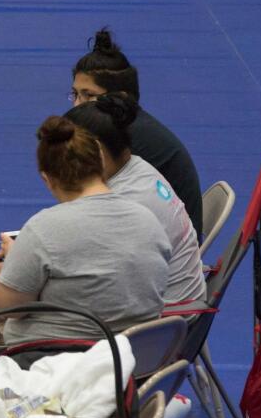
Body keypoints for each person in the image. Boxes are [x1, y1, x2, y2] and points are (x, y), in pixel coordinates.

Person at [0, 117, 172, 344]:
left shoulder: (43, 228)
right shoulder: (148, 219)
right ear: (100, 164)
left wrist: (7, 269)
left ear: (47, 179)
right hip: (138, 362)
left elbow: (10, 307)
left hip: (56, 364)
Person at [65, 93, 207, 305]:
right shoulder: (138, 166)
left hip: (157, 327)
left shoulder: (120, 207)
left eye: (67, 154)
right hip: (175, 309)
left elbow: (84, 286)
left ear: (96, 152)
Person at [71, 28, 204, 238]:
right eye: (75, 94)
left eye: (89, 96)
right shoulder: (128, 128)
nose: (78, 105)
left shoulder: (128, 141)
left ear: (121, 97)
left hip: (162, 252)